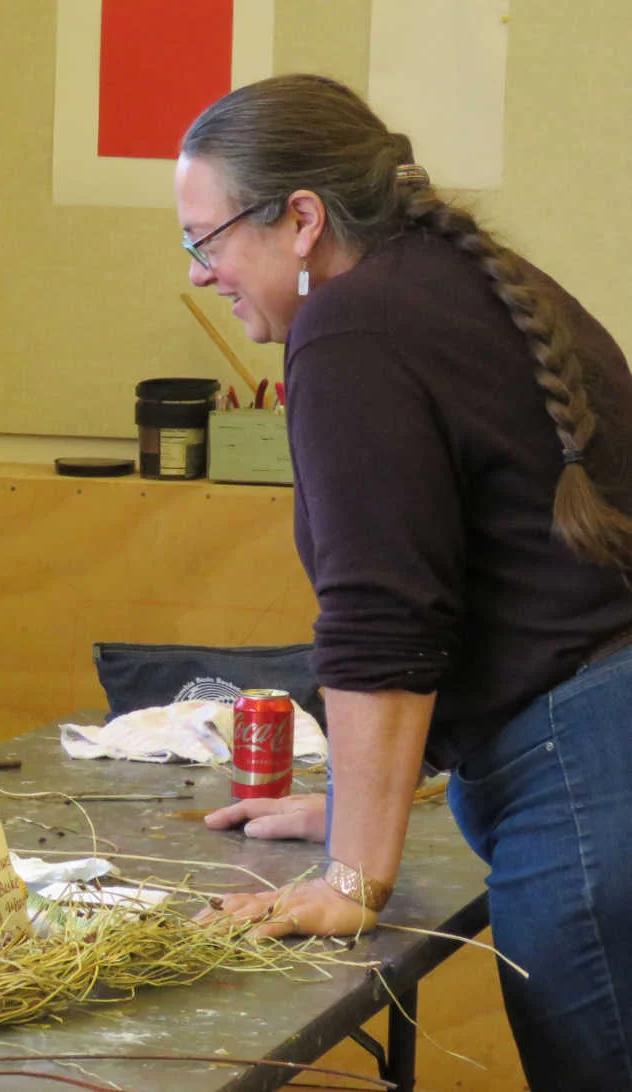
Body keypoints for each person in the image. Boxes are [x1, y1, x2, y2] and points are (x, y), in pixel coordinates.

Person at [172, 74, 632, 1089]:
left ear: (300, 219)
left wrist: (353, 874)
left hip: (588, 789)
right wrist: (353, 801)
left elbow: (388, 617)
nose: (203, 273)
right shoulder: (465, 283)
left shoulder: (350, 329)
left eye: (207, 240)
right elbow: (508, 581)